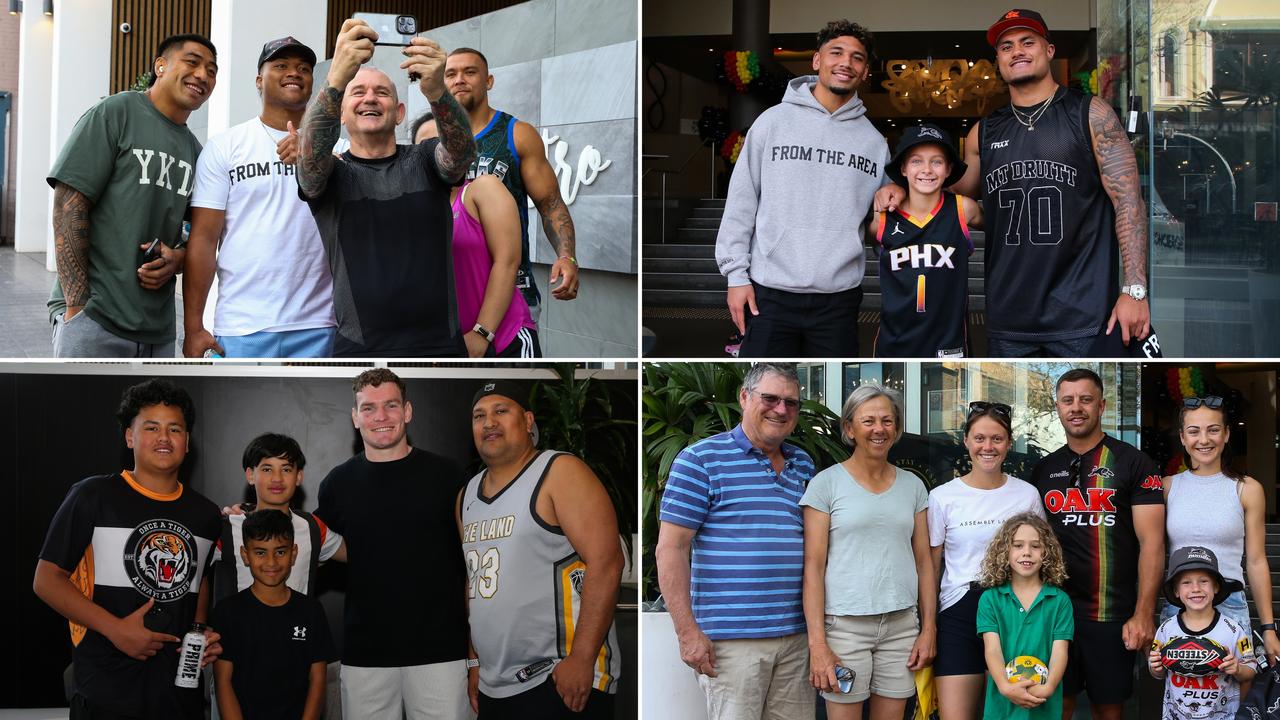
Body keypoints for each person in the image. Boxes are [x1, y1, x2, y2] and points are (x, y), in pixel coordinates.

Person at [878, 9, 1151, 357]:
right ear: (998, 61)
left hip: (1082, 314)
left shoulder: (1091, 115)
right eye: (1006, 46)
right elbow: (945, 192)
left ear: (1049, 51)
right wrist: (904, 188)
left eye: (1027, 42)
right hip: (1009, 318)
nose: (1017, 51)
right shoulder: (984, 132)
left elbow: (1128, 201)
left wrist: (1135, 289)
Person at [33, 379, 223, 718]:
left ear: (187, 442)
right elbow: (46, 579)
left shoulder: (207, 514)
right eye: (151, 427)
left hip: (178, 697)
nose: (164, 438)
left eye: (174, 429)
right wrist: (115, 629)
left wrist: (199, 635)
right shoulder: (93, 496)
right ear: (129, 437)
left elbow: (200, 581)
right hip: (105, 688)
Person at [296, 19, 477, 357]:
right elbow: (308, 165)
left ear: (399, 112)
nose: (371, 99)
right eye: (358, 92)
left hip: (440, 346)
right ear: (342, 115)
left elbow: (462, 155)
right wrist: (336, 77)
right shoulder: (333, 175)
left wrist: (438, 90)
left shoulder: (425, 160)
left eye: (382, 92)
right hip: (360, 348)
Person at [715, 20, 891, 357]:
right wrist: (736, 276)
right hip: (770, 292)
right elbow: (742, 200)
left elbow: (880, 220)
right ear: (816, 60)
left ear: (865, 70)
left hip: (838, 298)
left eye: (857, 58)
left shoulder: (874, 143)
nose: (845, 63)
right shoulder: (772, 122)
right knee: (766, 383)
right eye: (835, 52)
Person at [655, 363, 816, 719]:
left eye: (791, 403)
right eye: (770, 398)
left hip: (796, 638)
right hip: (731, 643)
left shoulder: (803, 464)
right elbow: (671, 549)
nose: (781, 409)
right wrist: (687, 633)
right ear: (744, 397)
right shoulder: (700, 460)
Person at [459, 380, 623, 718]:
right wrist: (474, 661)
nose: (489, 422)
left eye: (501, 411)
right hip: (496, 684)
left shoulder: (559, 471)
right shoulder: (467, 495)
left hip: (559, 679)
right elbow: (474, 582)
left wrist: (581, 659)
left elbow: (606, 564)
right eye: (479, 416)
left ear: (528, 420)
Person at [48, 34, 218, 358]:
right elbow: (68, 203)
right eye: (193, 62)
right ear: (160, 66)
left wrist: (178, 258)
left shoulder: (198, 153)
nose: (203, 75)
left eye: (212, 71)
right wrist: (76, 306)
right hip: (95, 320)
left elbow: (197, 237)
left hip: (158, 332)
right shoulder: (116, 112)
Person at [314, 368, 470, 719]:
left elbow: (476, 557)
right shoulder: (337, 484)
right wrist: (248, 515)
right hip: (366, 655)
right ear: (355, 418)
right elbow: (306, 541)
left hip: (441, 652)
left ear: (408, 411)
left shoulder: (448, 476)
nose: (380, 417)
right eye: (368, 408)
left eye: (391, 406)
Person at [184, 36, 336, 359]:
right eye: (280, 65)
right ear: (258, 80)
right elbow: (203, 239)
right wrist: (194, 327)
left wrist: (315, 153)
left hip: (319, 324)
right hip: (243, 326)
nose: (293, 72)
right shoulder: (225, 146)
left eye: (303, 68)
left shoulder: (337, 152)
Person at [1031, 368, 1165, 719]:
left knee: (1109, 709)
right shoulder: (1044, 469)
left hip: (1111, 613)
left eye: (1085, 400)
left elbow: (1152, 542)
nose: (1076, 408)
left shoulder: (1134, 462)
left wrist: (1143, 613)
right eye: (1068, 400)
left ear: (1102, 405)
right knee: (1057, 704)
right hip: (1055, 612)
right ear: (1058, 407)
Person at [801, 382, 935, 719]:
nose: (879, 429)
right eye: (868, 420)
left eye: (887, 421)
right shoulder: (825, 484)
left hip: (902, 626)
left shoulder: (914, 486)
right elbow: (814, 567)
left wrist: (928, 629)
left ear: (897, 428)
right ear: (849, 428)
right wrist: (818, 644)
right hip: (844, 628)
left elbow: (924, 563)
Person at [444, 47, 580, 320]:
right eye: (450, 74)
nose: (459, 79)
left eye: (470, 72)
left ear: (488, 81)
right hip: (449, 291)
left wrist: (567, 256)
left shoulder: (516, 134)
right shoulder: (431, 141)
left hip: (513, 291)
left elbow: (550, 204)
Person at [928, 402, 1043, 720]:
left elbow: (1039, 559)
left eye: (997, 439)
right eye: (979, 438)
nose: (987, 447)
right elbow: (930, 570)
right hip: (958, 612)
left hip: (1014, 612)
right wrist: (927, 627)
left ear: (1008, 442)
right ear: (966, 440)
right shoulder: (942, 497)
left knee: (1008, 714)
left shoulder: (1027, 495)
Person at [1162, 396, 1280, 664]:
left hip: (1230, 604)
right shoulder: (1167, 487)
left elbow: (1256, 560)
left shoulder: (1247, 489)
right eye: (1194, 431)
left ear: (1226, 434)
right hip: (1179, 605)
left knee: (1236, 694)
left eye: (1213, 429)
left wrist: (1268, 628)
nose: (1204, 439)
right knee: (1183, 693)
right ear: (1182, 437)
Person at [414, 114, 541, 357]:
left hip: (502, 337)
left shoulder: (482, 189)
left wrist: (482, 333)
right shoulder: (416, 208)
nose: (437, 152)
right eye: (426, 146)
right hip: (450, 344)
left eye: (444, 143)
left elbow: (507, 262)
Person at [211, 509, 334, 720]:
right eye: (260, 552)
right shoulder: (227, 612)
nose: (271, 562)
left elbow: (318, 679)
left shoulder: (311, 611)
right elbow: (223, 681)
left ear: (293, 554)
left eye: (280, 552)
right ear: (245, 555)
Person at [873, 124, 982, 358]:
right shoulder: (882, 217)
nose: (927, 169)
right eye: (916, 161)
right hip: (896, 338)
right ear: (902, 168)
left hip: (949, 339)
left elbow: (1007, 229)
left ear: (948, 168)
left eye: (937, 161)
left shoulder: (964, 209)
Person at [211, 433, 345, 601]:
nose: (277, 479)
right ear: (250, 475)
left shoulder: (312, 527)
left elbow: (364, 553)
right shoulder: (226, 528)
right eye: (267, 469)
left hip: (298, 626)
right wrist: (199, 625)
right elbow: (189, 574)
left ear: (298, 477)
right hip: (238, 627)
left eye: (286, 469)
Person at [975, 513, 1074, 720]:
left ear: (1047, 552)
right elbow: (992, 650)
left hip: (1043, 702)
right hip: (1003, 704)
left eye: (1035, 546)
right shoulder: (990, 599)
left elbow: (1060, 652)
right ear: (1004, 551)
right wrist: (1005, 686)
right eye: (1018, 545)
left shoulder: (1059, 601)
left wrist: (1048, 688)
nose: (1027, 553)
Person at [1148, 546, 1256, 720]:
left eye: (1204, 581)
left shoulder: (1233, 629)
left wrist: (1237, 668)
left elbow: (1251, 669)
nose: (1196, 588)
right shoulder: (1166, 629)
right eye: (1186, 582)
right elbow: (1157, 673)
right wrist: (1156, 668)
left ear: (1216, 587)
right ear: (1176, 591)